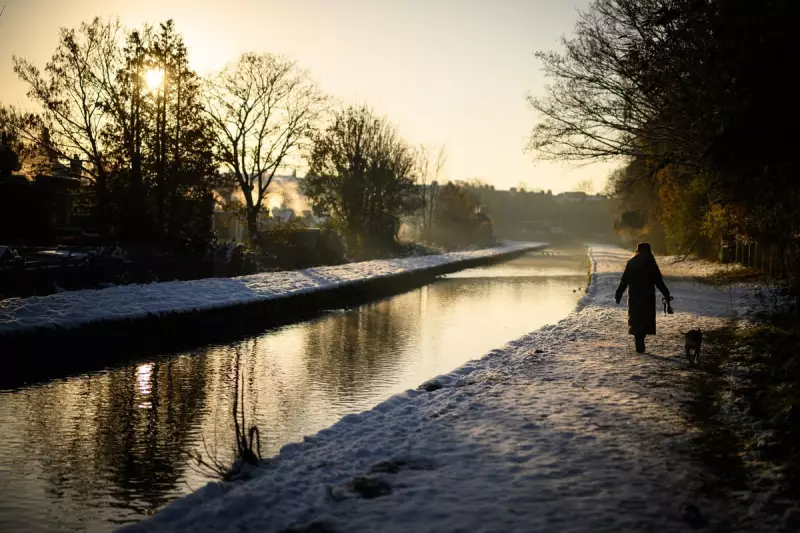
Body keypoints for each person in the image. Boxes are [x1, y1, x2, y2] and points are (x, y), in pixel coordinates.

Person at [614, 242, 671, 353]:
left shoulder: (632, 262)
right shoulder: (651, 262)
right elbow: (658, 281)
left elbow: (624, 280)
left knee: (636, 319)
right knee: (645, 319)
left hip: (635, 296)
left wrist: (619, 293)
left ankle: (639, 340)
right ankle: (641, 339)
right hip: (648, 297)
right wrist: (666, 294)